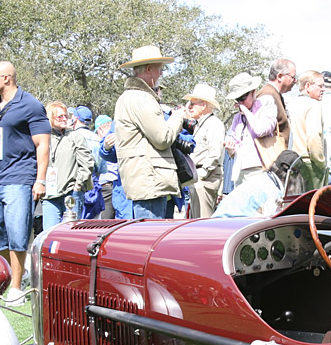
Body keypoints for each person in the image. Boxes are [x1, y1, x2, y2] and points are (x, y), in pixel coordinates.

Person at [0, 61, 51, 306]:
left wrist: (40, 179)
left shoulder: (30, 105)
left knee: (18, 233)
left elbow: (42, 144)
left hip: (21, 178)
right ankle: (14, 277)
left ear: (6, 78)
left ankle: (15, 288)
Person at [114, 44, 186, 219]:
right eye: (159, 68)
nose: (161, 73)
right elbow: (162, 138)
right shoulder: (142, 98)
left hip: (144, 179)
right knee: (150, 240)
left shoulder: (129, 97)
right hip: (150, 180)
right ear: (148, 69)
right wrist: (178, 117)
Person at [42, 101, 94, 228]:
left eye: (66, 115)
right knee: (49, 233)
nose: (64, 119)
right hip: (50, 195)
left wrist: (78, 185)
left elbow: (87, 163)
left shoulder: (75, 137)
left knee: (69, 233)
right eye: (60, 116)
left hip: (71, 194)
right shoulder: (44, 138)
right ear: (50, 118)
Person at [224, 72, 278, 185]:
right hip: (240, 171)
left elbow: (261, 130)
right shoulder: (237, 118)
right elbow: (234, 146)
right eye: (237, 99)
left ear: (253, 92)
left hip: (260, 169)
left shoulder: (266, 108)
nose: (240, 103)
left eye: (243, 97)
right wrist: (230, 148)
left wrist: (247, 113)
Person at [212, 150, 302, 218]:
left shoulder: (264, 179)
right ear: (293, 178)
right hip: (231, 229)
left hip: (220, 224)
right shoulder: (273, 194)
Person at [182, 83, 225, 218]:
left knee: (202, 223)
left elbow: (215, 154)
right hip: (198, 179)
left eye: (193, 103)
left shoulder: (214, 124)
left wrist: (202, 174)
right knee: (196, 222)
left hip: (205, 179)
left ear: (204, 105)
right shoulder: (201, 125)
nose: (189, 106)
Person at [287, 70, 327, 189]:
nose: (323, 89)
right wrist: (320, 161)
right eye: (320, 86)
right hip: (309, 165)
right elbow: (313, 136)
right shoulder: (313, 105)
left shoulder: (290, 105)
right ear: (308, 86)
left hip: (291, 163)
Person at [258, 59, 295, 148]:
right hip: (271, 156)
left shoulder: (274, 94)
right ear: (280, 76)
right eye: (293, 77)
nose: (295, 81)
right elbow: (260, 129)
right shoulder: (267, 95)